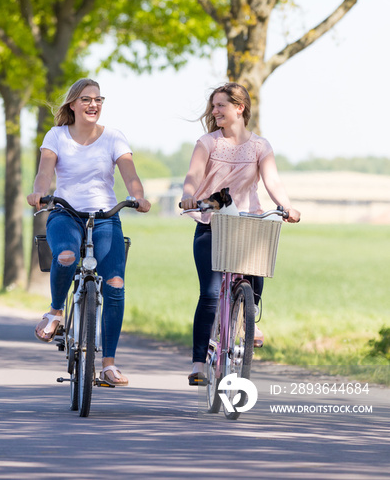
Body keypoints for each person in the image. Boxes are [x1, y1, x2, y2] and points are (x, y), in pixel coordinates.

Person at [27, 78, 151, 386]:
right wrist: (39, 193)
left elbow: (130, 176)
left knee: (115, 283)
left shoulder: (113, 138)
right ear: (72, 104)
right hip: (65, 212)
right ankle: (56, 312)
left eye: (97, 99)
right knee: (67, 256)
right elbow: (44, 173)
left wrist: (140, 196)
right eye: (85, 99)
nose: (92, 104)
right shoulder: (56, 136)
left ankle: (108, 363)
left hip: (105, 216)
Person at [180, 82, 300, 386]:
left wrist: (286, 206)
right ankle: (198, 364)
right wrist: (189, 195)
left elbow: (272, 181)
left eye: (221, 105)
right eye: (214, 106)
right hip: (212, 222)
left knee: (255, 270)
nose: (215, 111)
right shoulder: (207, 143)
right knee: (209, 294)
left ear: (239, 108)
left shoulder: (260, 146)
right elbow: (192, 177)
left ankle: (250, 318)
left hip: (247, 220)